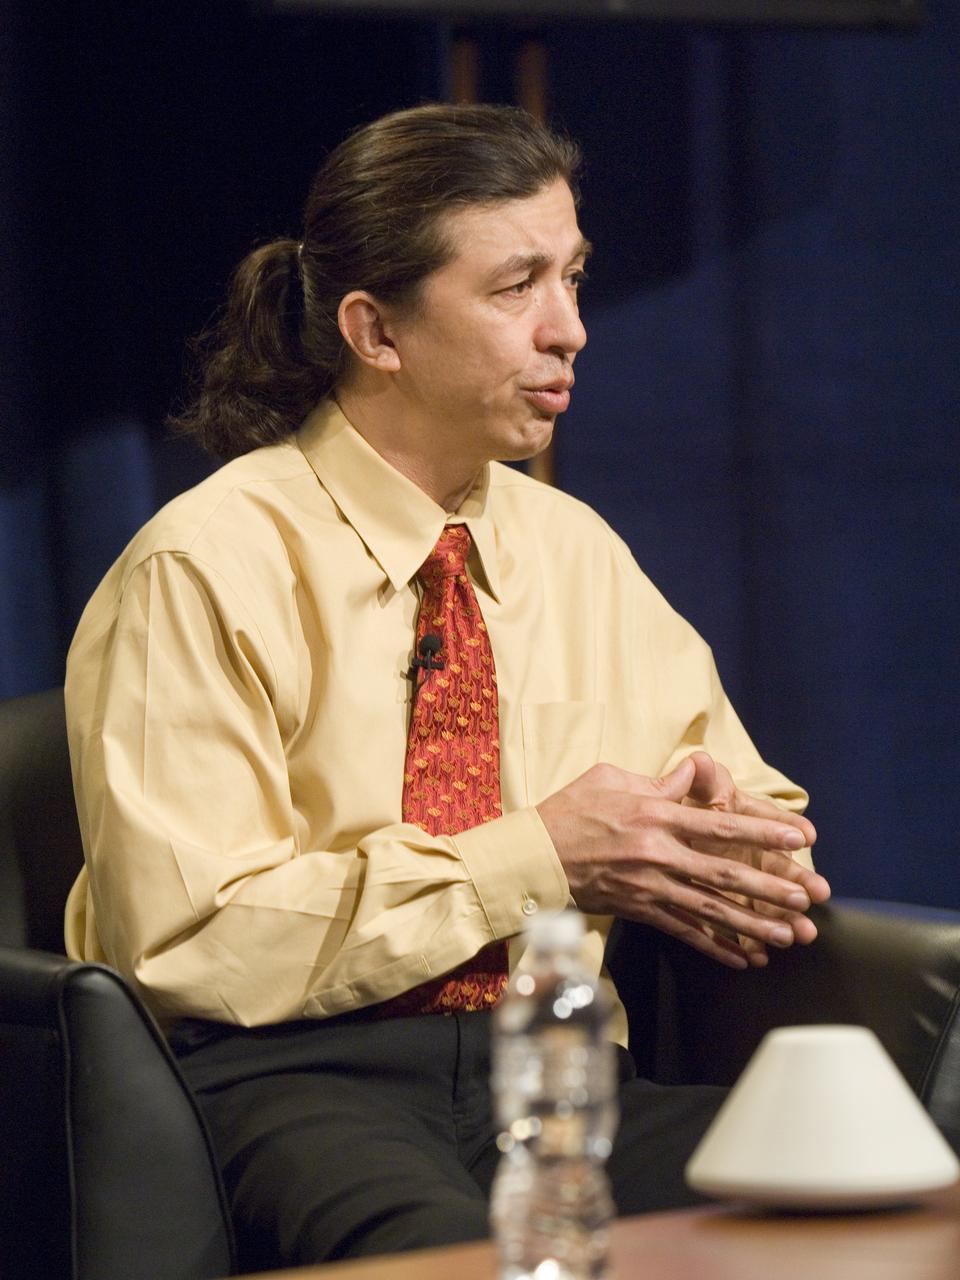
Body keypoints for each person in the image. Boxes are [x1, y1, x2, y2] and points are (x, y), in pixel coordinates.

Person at [64, 103, 829, 1271]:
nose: (570, 329)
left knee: (869, 1193)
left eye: (574, 277)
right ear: (377, 330)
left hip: (562, 1075)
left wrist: (733, 849)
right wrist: (539, 854)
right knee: (462, 1256)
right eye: (517, 286)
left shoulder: (574, 550)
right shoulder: (206, 564)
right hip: (300, 1076)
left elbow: (756, 810)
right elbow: (189, 939)